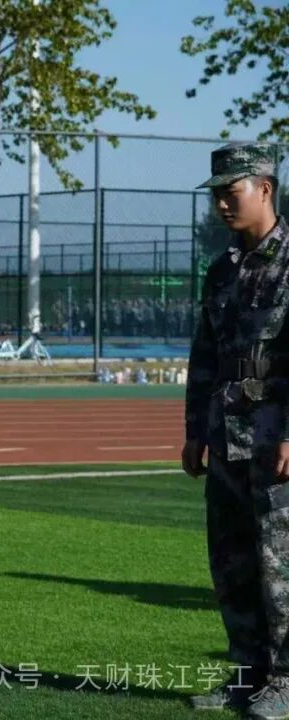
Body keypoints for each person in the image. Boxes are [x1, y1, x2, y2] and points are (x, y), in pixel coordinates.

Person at [182, 142, 289, 718]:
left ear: (265, 188)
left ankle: (287, 679)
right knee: (232, 561)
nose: (222, 203)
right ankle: (248, 673)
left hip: (275, 438)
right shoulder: (222, 269)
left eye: (232, 191)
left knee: (280, 563)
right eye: (217, 194)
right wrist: (195, 430)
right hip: (226, 434)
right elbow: (205, 355)